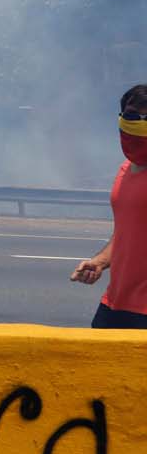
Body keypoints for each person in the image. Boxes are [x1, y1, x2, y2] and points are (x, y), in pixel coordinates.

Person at [71, 83, 147, 328]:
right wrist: (100, 262)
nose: (134, 122)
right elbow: (127, 233)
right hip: (114, 303)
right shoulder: (125, 171)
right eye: (130, 115)